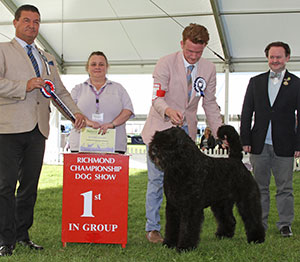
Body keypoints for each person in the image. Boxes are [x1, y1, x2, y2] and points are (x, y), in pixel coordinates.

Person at [0, 4, 87, 256]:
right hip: (7, 128)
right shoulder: (3, 50)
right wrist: (23, 85)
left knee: (29, 186)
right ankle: (4, 240)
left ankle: (22, 235)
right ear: (14, 23)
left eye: (36, 22)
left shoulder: (46, 57)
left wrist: (75, 113)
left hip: (38, 129)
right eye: (26, 20)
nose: (32, 25)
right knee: (4, 186)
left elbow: (59, 91)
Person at [141, 23, 223, 243]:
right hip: (161, 129)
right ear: (182, 44)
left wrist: (219, 132)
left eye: (198, 51)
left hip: (186, 134)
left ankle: (183, 229)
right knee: (157, 180)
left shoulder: (209, 69)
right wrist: (168, 110)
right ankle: (153, 228)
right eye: (189, 51)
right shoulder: (165, 63)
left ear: (205, 47)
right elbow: (156, 97)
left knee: (188, 184)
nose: (194, 56)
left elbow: (211, 103)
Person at [240, 41, 300, 237]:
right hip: (259, 144)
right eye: (272, 57)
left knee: (285, 188)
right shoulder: (255, 82)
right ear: (267, 58)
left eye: (279, 57)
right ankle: (260, 223)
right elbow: (247, 112)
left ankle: (285, 224)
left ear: (287, 58)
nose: (275, 60)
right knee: (259, 188)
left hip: (285, 144)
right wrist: (245, 139)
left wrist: (299, 143)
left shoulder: (297, 83)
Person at [68, 51, 134, 154]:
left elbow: (128, 111)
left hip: (114, 145)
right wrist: (88, 123)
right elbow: (70, 111)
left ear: (107, 67)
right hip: (81, 145)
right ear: (87, 67)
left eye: (101, 64)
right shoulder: (78, 89)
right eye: (93, 64)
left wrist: (112, 124)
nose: (97, 67)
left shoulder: (119, 88)